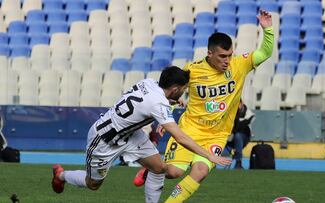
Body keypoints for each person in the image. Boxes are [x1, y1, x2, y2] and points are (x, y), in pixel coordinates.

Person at [142, 10, 274, 203]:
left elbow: (265, 52)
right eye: (222, 56)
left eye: (230, 55)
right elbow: (173, 91)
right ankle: (150, 169)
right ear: (210, 53)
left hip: (217, 135)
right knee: (172, 172)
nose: (227, 61)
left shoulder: (240, 65)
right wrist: (166, 115)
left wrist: (267, 29)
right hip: (189, 130)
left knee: (201, 171)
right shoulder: (192, 70)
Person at [51, 66, 231, 194]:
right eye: (183, 91)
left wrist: (171, 101)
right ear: (175, 89)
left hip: (131, 135)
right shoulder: (158, 103)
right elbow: (181, 137)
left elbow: (148, 102)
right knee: (93, 184)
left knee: (159, 168)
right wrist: (210, 156)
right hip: (104, 139)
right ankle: (62, 175)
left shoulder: (150, 82)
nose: (183, 94)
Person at [226, 101, 255, 169]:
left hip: (244, 136)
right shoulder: (232, 112)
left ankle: (238, 161)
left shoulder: (249, 114)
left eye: (238, 104)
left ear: (242, 104)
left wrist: (236, 116)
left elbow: (241, 126)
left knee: (238, 136)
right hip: (232, 136)